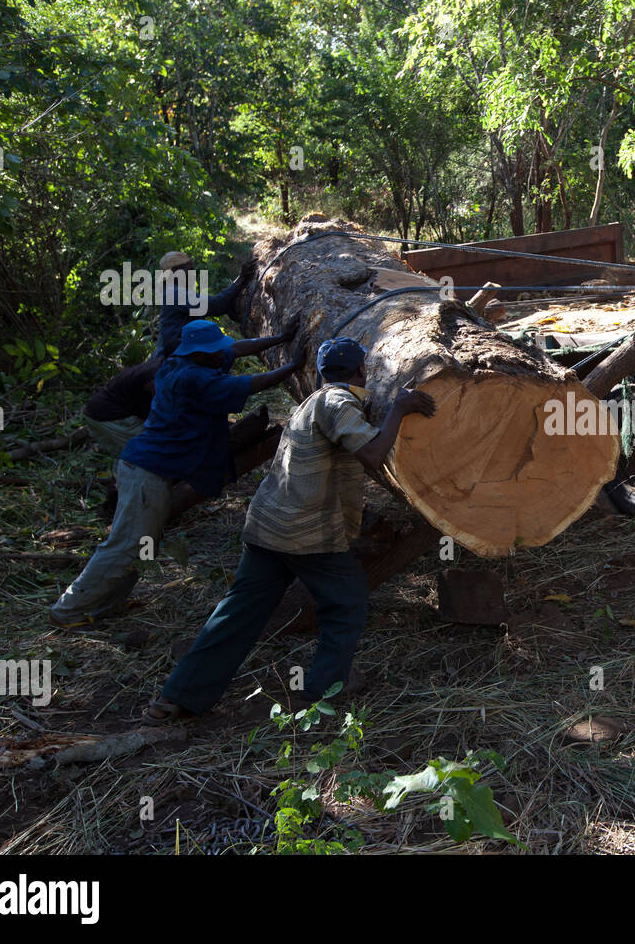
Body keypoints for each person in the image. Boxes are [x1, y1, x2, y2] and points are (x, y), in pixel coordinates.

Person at [142, 338, 437, 722]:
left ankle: (176, 697)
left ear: (320, 371)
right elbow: (371, 453)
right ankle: (324, 688)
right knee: (346, 602)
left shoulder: (312, 403)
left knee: (238, 613)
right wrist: (399, 408)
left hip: (268, 527)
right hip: (306, 534)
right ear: (361, 371)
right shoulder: (336, 402)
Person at [49, 320, 304, 628]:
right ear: (199, 354)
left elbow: (234, 349)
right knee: (126, 545)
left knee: (143, 544)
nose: (220, 355)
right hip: (146, 473)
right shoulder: (190, 377)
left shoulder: (185, 360)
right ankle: (68, 611)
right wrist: (293, 365)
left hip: (145, 471)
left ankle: (104, 605)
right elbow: (251, 384)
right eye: (214, 352)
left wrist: (281, 337)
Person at [153, 250, 257, 358]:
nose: (193, 274)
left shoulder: (177, 291)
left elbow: (215, 306)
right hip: (171, 360)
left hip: (177, 354)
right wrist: (241, 279)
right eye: (189, 270)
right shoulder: (174, 293)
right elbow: (216, 305)